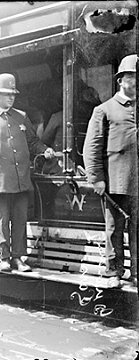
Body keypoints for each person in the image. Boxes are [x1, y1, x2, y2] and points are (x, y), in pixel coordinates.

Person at [0, 73, 56, 272]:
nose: (11, 97)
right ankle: (4, 257)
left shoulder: (21, 117)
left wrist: (44, 149)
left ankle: (18, 257)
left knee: (20, 219)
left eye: (13, 94)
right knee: (1, 219)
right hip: (0, 180)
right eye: (7, 94)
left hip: (21, 179)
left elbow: (32, 141)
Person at [83, 54, 137, 288]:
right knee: (114, 229)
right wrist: (97, 179)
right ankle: (114, 271)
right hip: (115, 182)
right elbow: (91, 148)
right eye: (132, 77)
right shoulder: (104, 110)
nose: (136, 82)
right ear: (120, 81)